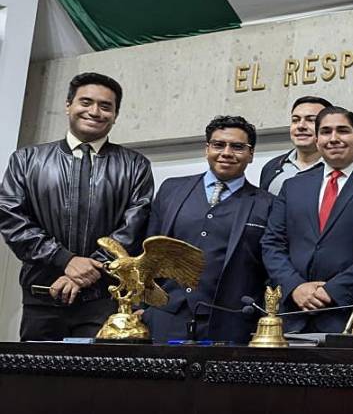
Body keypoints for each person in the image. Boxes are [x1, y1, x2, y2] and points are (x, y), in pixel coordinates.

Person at [0, 72, 153, 341]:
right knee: (36, 379)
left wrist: (87, 271)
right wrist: (64, 259)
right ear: (68, 105)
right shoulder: (26, 160)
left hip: (105, 300)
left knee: (97, 382)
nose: (95, 111)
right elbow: (11, 218)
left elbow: (134, 226)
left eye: (106, 106)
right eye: (86, 102)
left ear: (115, 115)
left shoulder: (135, 165)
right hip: (42, 295)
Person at [143, 116, 274, 343]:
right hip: (167, 315)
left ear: (251, 155)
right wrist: (140, 306)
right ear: (207, 149)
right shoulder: (171, 190)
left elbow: (269, 265)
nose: (226, 152)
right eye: (218, 145)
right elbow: (147, 250)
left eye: (237, 147)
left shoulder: (267, 203)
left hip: (231, 321)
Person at [261, 106, 353, 333]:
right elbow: (272, 243)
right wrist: (295, 287)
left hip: (347, 314)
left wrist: (333, 290)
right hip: (292, 313)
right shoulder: (293, 186)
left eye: (342, 131)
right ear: (317, 139)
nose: (333, 138)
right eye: (325, 132)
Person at [259, 96, 332, 194]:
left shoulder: (338, 167)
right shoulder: (272, 167)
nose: (301, 126)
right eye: (295, 120)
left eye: (311, 120)